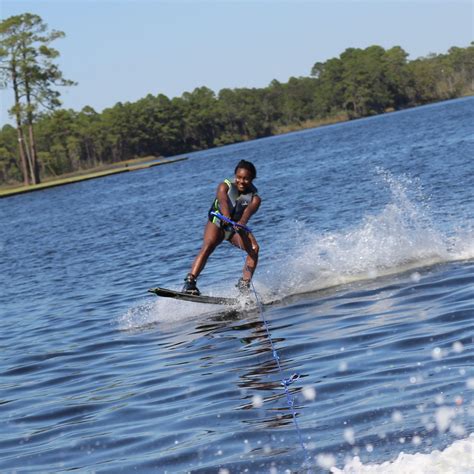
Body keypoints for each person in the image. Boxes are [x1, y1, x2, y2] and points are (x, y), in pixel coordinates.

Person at [183, 160, 261, 295]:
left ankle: (244, 285)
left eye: (246, 179)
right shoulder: (224, 186)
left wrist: (240, 224)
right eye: (239, 177)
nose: (241, 181)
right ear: (235, 175)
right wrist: (226, 215)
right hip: (218, 222)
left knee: (254, 249)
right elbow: (223, 200)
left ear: (252, 179)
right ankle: (190, 282)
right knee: (209, 245)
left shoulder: (254, 198)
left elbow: (246, 215)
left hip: (235, 227)